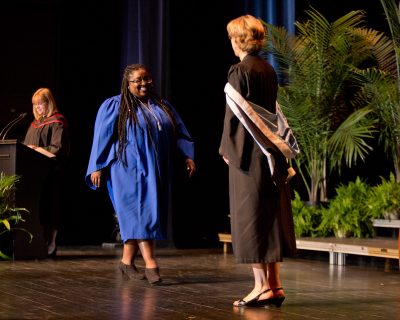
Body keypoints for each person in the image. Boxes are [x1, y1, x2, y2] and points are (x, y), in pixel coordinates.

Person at [85, 63, 196, 285]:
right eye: (138, 80)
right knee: (139, 213)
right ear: (128, 83)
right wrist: (96, 166)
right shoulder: (114, 105)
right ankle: (151, 262)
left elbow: (180, 132)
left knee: (145, 214)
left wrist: (188, 155)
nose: (144, 84)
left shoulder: (162, 106)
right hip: (126, 167)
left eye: (147, 79)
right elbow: (102, 137)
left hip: (155, 168)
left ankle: (126, 262)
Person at [219, 15, 297, 307]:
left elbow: (236, 118)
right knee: (270, 215)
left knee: (250, 215)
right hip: (271, 154)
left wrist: (228, 149)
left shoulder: (239, 70)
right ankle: (275, 285)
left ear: (238, 39)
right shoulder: (267, 69)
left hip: (249, 155)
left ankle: (261, 286)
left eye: (231, 36)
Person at [24, 87, 70, 258]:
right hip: (33, 175)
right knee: (38, 208)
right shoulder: (34, 124)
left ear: (49, 103)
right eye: (34, 105)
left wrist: (36, 149)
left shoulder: (57, 121)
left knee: (50, 208)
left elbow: (58, 149)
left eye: (40, 104)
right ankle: (37, 242)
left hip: (51, 173)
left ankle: (51, 243)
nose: (37, 108)